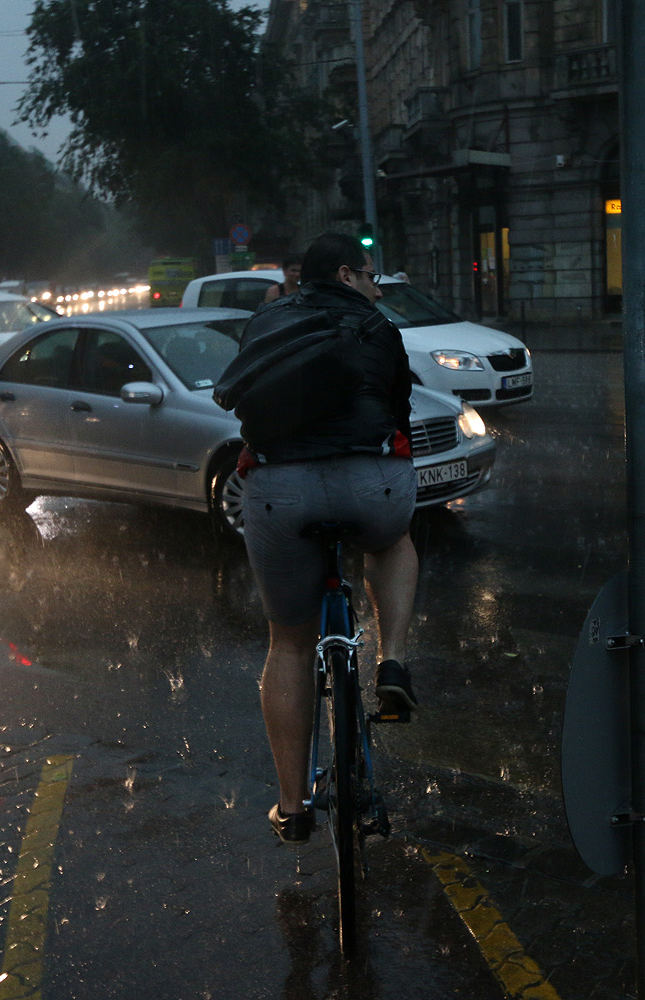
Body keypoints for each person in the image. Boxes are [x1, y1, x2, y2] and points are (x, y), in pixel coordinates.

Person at [238, 232, 419, 845]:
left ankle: (292, 807)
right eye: (369, 275)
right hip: (372, 484)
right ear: (345, 275)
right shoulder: (378, 327)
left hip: (277, 490)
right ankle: (391, 660)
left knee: (288, 644)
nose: (374, 286)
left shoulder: (265, 322)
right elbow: (399, 415)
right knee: (393, 543)